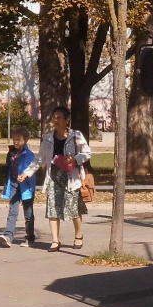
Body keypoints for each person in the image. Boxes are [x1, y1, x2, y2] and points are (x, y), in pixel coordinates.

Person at [33, 105, 91, 252]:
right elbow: (40, 159)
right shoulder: (47, 138)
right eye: (54, 117)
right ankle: (55, 241)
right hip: (54, 177)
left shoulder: (76, 135)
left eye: (59, 117)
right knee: (52, 209)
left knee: (73, 210)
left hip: (71, 177)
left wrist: (74, 159)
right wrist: (27, 173)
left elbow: (87, 153)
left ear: (67, 120)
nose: (56, 120)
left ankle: (78, 235)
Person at [0, 127, 37, 247]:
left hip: (26, 186)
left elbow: (32, 168)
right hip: (14, 183)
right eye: (13, 139)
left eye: (18, 139)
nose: (15, 142)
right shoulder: (11, 152)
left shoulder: (29, 154)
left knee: (28, 212)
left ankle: (30, 237)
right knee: (12, 210)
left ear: (25, 140)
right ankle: (8, 236)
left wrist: (25, 177)